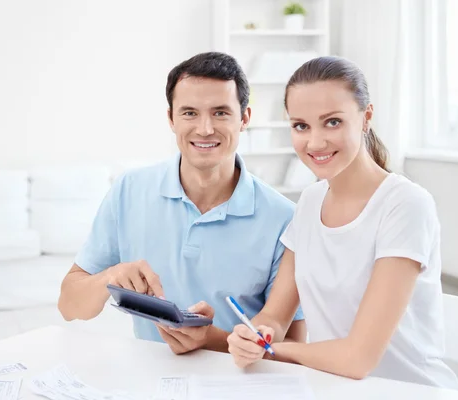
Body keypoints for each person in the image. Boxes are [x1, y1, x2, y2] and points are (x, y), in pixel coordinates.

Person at [227, 56, 458, 390]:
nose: (315, 142)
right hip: (335, 390)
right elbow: (276, 316)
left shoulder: (405, 205)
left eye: (332, 122)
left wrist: (274, 351)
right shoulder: (309, 202)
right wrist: (255, 335)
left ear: (366, 118)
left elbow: (357, 359)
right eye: (300, 126)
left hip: (410, 391)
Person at [57, 51, 306, 354]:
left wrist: (213, 339)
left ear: (245, 119)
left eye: (221, 113)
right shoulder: (129, 189)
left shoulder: (284, 218)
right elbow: (70, 306)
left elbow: (293, 348)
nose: (204, 129)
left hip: (239, 384)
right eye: (189, 113)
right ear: (171, 119)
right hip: (149, 381)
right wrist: (110, 277)